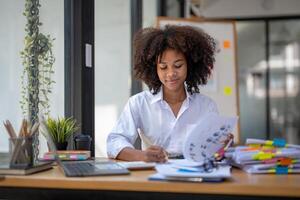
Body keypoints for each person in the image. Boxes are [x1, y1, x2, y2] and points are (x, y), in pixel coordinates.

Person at [107, 25, 218, 162]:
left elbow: (214, 149)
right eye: (163, 67)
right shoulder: (139, 103)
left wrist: (221, 145)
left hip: (195, 176)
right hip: (153, 175)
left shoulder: (206, 106)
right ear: (154, 69)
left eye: (178, 66)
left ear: (190, 65)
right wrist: (141, 156)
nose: (171, 74)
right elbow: (114, 141)